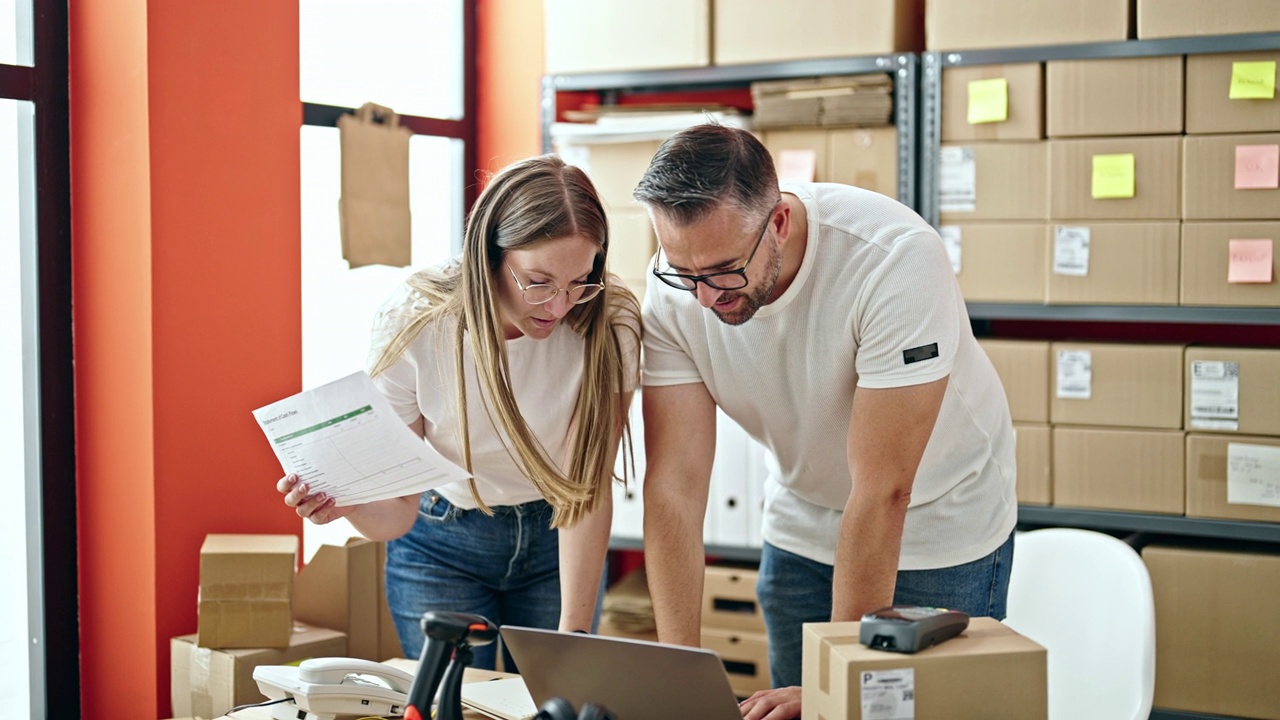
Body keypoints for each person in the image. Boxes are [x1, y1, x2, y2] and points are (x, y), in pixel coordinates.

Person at [632, 124, 1017, 719]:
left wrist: (837, 684)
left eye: (724, 270)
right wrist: (679, 677)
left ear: (779, 222)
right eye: (685, 273)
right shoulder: (677, 291)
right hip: (804, 513)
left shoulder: (893, 261)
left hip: (936, 518)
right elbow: (675, 486)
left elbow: (884, 489)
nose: (704, 299)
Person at [279, 155, 642, 670]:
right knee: (454, 705)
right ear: (488, 255)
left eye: (579, 280)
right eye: (538, 282)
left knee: (552, 699)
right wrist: (347, 505)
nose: (559, 307)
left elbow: (587, 489)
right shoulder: (415, 321)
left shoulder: (609, 319)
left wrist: (574, 635)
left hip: (558, 539)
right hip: (442, 541)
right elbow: (398, 510)